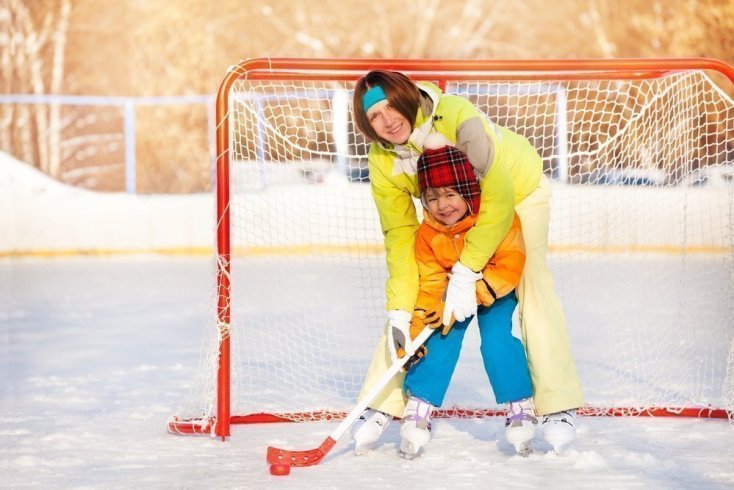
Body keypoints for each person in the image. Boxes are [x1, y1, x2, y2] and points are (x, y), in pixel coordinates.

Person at [350, 70, 584, 455]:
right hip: (450, 211)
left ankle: (556, 405)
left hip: (516, 193)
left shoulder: (458, 116)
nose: (387, 119)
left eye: (392, 106)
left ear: (409, 98)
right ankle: (381, 402)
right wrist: (399, 312)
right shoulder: (381, 158)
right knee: (413, 309)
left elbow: (499, 197)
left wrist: (467, 271)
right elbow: (401, 238)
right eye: (374, 115)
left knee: (533, 284)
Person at [396, 134, 536, 458]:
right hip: (453, 296)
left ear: (468, 190)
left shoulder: (494, 216)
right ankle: (419, 405)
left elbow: (511, 260)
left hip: (494, 291)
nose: (441, 205)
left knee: (497, 340)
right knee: (441, 337)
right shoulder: (427, 234)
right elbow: (430, 282)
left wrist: (479, 290)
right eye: (431, 197)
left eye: (449, 194)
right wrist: (418, 329)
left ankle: (519, 403)